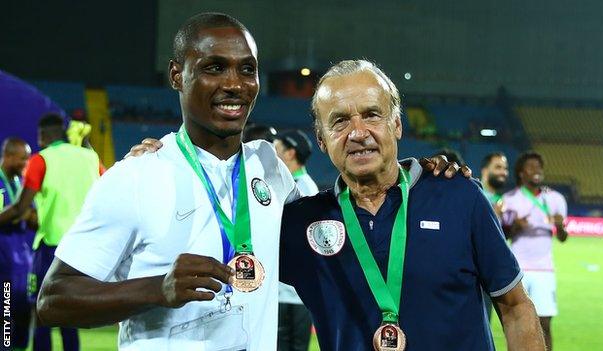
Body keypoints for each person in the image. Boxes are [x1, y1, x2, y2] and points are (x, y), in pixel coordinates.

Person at [37, 13, 466, 350]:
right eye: (214, 68)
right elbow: (53, 300)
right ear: (176, 75)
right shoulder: (136, 177)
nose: (234, 84)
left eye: (247, 70)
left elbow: (347, 221)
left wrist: (422, 174)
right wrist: (158, 289)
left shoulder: (269, 167)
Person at [279, 60, 545, 350]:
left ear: (396, 125)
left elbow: (516, 308)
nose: (358, 132)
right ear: (321, 139)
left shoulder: (458, 196)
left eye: (372, 115)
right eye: (340, 121)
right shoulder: (301, 223)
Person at [0, 114, 102, 351]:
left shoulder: (41, 160)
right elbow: (105, 186)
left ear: (43, 136)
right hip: (82, 250)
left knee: (43, 311)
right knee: (70, 313)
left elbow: (19, 208)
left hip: (51, 247)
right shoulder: (90, 158)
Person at [502, 151, 568, 351]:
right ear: (521, 173)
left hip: (544, 269)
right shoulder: (510, 199)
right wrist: (515, 227)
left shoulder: (555, 199)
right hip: (518, 269)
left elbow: (563, 238)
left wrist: (561, 226)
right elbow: (502, 236)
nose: (537, 171)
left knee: (545, 324)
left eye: (539, 167)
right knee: (516, 323)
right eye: (531, 167)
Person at [273, 130, 318, 351]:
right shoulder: (295, 184)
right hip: (286, 292)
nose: (271, 154)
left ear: (290, 154)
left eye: (276, 149)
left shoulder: (303, 189)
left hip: (294, 294)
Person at [0, 137, 33, 351]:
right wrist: (18, 211)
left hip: (23, 262)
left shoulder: (20, 183)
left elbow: (32, 217)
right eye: (22, 159)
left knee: (24, 315)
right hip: (4, 263)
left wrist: (23, 213)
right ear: (9, 156)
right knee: (5, 315)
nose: (25, 164)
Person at [479, 151, 509, 320]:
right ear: (485, 171)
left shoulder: (503, 201)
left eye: (505, 168)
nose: (503, 172)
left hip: (490, 275)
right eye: (497, 167)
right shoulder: (474, 194)